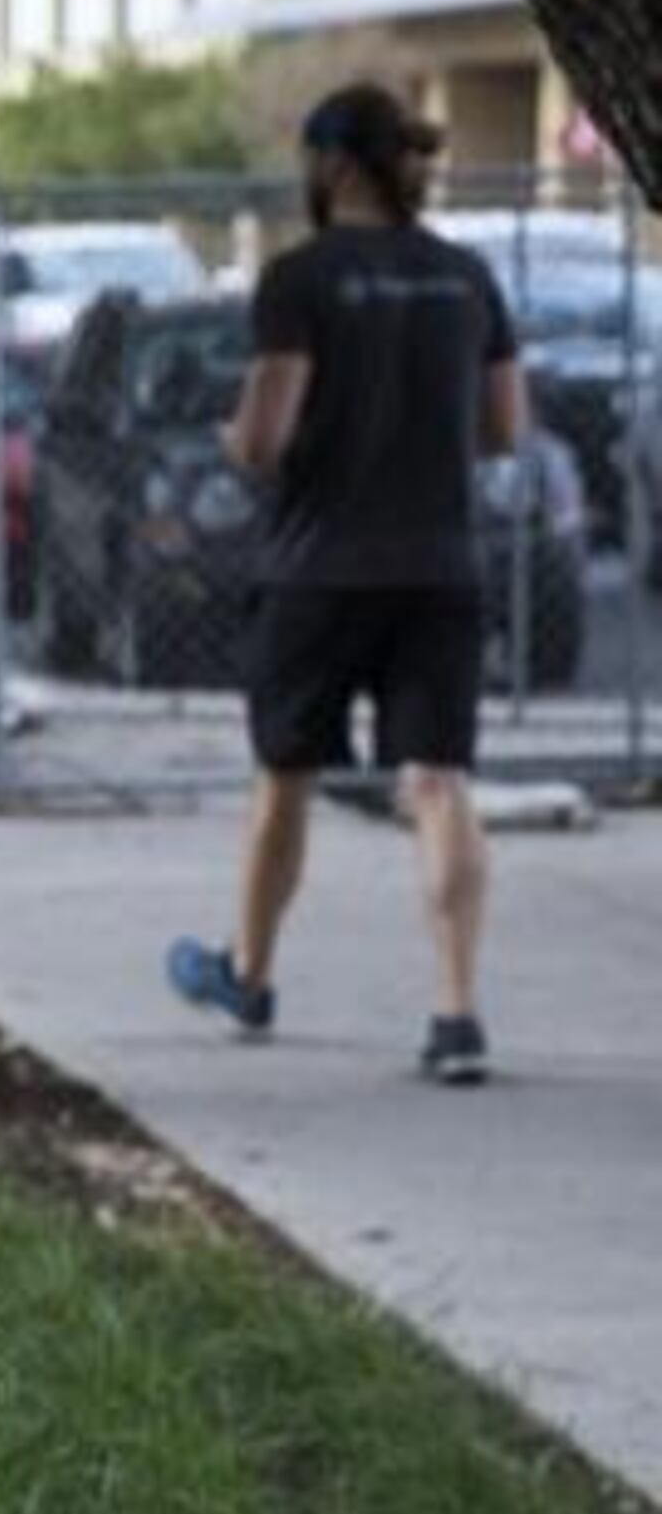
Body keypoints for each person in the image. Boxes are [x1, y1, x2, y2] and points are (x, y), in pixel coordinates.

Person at [166, 82, 522, 1084]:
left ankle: (252, 975)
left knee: (286, 776)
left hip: (316, 572)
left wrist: (235, 440)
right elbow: (507, 429)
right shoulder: (467, 279)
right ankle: (455, 1014)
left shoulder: (300, 280)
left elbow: (266, 437)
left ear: (333, 166)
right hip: (441, 569)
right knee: (439, 781)